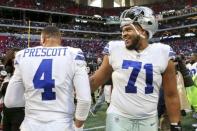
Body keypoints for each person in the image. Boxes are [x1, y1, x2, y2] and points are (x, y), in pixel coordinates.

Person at [90, 6, 181, 131]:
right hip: (118, 118)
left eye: (128, 29)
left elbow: (171, 94)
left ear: (143, 30)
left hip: (149, 121)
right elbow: (95, 81)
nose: (123, 34)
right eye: (122, 30)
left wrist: (175, 124)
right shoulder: (115, 49)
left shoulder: (163, 52)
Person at [4, 26, 91, 131]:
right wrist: (78, 127)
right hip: (62, 125)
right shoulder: (73, 54)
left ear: (43, 39)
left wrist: (34, 99)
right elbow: (85, 100)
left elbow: (10, 101)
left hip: (30, 125)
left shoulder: (22, 55)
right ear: (60, 40)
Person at [0, 48, 25, 131]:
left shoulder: (25, 75)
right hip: (6, 113)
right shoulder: (5, 77)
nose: (16, 61)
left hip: (20, 112)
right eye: (14, 58)